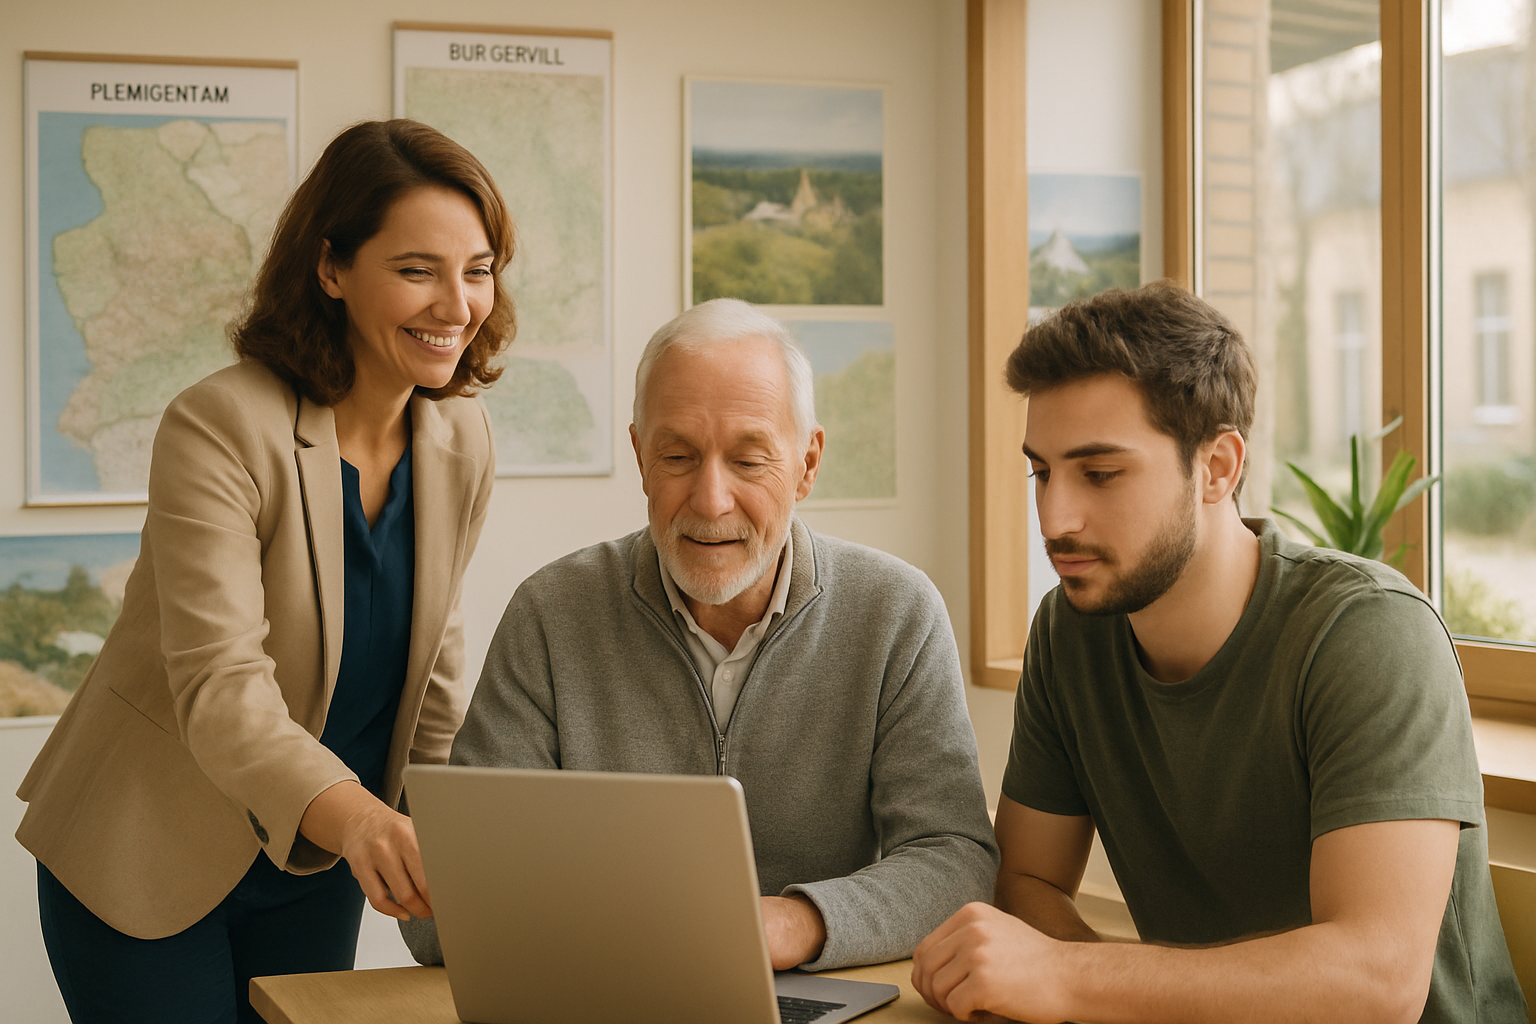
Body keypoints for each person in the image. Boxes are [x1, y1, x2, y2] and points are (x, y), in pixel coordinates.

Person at [910, 282, 1526, 1023]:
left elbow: (1377, 983)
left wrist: (1071, 976)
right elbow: (1025, 879)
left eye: (1100, 474)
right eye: (1042, 471)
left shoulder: (1369, 632)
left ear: (1219, 468)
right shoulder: (1070, 632)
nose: (1055, 517)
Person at [16, 119, 513, 1024]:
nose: (456, 304)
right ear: (331, 268)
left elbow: (433, 667)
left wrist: (455, 839)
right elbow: (220, 685)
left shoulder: (461, 438)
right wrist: (363, 818)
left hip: (309, 858)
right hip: (145, 848)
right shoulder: (219, 426)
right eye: (416, 270)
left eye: (476, 269)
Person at [401, 298, 998, 971]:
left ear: (807, 463)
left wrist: (794, 925)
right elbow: (440, 911)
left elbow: (955, 863)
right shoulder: (550, 614)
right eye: (678, 456)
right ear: (639, 456)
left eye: (749, 461)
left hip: (820, 997)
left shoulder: (897, 614)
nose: (711, 500)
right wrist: (645, 934)